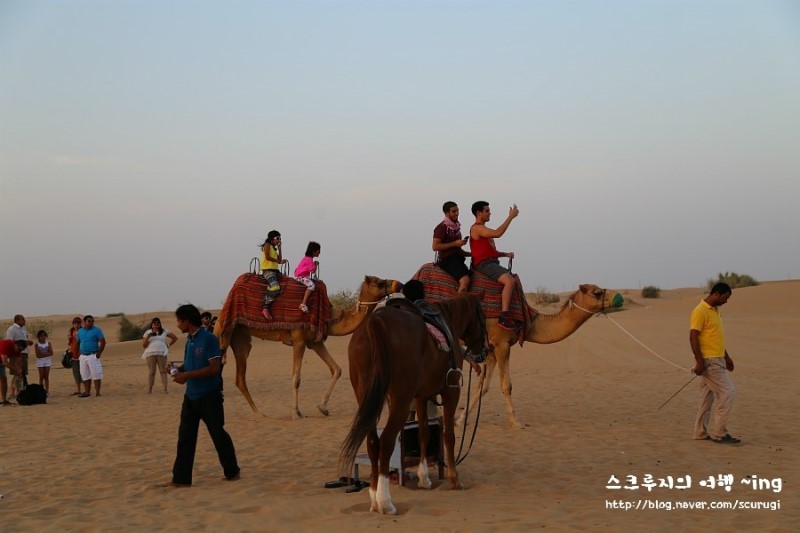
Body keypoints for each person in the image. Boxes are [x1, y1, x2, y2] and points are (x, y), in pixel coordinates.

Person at [166, 304, 240, 487]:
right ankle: (180, 479)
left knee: (218, 434)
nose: (177, 325)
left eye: (179, 321)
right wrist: (176, 369)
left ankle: (232, 472)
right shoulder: (189, 340)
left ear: (187, 320)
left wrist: (186, 376)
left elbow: (214, 368)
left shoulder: (208, 339)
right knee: (185, 438)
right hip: (191, 396)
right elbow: (189, 365)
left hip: (209, 396)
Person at [690, 282, 740, 444]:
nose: (726, 301)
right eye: (725, 298)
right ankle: (720, 433)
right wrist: (699, 362)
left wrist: (727, 357)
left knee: (707, 398)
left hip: (718, 359)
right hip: (709, 362)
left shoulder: (715, 311)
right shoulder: (700, 311)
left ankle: (700, 433)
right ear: (716, 294)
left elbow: (714, 338)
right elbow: (693, 336)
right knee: (728, 392)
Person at [469, 201, 520, 330]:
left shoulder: (484, 231)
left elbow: (489, 252)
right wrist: (510, 217)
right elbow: (498, 233)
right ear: (479, 213)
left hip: (490, 262)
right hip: (484, 265)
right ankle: (504, 317)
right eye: (487, 211)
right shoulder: (477, 228)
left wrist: (505, 254)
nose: (489, 213)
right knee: (509, 281)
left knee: (513, 280)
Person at [432, 201, 471, 293]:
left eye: (457, 211)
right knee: (465, 280)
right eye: (453, 211)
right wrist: (455, 244)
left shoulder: (456, 228)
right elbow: (435, 246)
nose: (457, 214)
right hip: (448, 260)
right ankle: (460, 305)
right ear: (446, 213)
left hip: (457, 259)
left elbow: (458, 250)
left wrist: (472, 254)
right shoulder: (442, 227)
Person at [142, 317, 178, 394]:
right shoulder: (148, 332)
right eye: (154, 322)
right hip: (150, 353)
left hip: (162, 353)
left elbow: (175, 338)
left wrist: (168, 345)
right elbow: (144, 345)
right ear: (152, 324)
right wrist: (149, 336)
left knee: (163, 371)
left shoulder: (164, 331)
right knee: (152, 372)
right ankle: (150, 390)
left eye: (158, 322)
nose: (156, 324)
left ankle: (165, 389)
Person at [260, 230, 288, 320]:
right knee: (275, 287)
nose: (279, 240)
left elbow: (279, 260)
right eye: (277, 238)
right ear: (272, 239)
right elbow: (267, 257)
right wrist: (278, 261)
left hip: (275, 270)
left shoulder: (274, 249)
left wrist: (280, 249)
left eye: (280, 238)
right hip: (267, 270)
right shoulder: (267, 246)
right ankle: (265, 307)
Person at [76, 315, 106, 397]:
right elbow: (78, 342)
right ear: (84, 322)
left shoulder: (97, 330)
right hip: (83, 356)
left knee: (96, 374)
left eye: (92, 321)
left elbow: (103, 342)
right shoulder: (80, 331)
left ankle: (97, 393)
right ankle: (87, 392)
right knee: (85, 374)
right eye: (89, 321)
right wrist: (78, 353)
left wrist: (99, 353)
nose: (91, 323)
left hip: (93, 355)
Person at [5, 314, 34, 394]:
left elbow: (23, 341)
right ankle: (14, 392)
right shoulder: (11, 329)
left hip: (24, 353)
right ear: (17, 320)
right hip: (16, 354)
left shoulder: (23, 329)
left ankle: (17, 391)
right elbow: (9, 342)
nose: (24, 321)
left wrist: (27, 342)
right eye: (23, 319)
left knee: (21, 373)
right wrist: (25, 342)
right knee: (17, 372)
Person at [294, 241, 321, 313]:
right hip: (300, 277)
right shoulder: (309, 259)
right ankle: (303, 304)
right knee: (312, 285)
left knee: (314, 281)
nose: (319, 252)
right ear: (313, 251)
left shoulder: (308, 258)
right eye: (318, 250)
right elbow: (313, 271)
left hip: (303, 276)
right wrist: (315, 264)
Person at [0, 339, 28, 405]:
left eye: (21, 350)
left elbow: (17, 363)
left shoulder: (18, 350)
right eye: (19, 349)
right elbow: (5, 362)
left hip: (0, 362)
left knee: (3, 380)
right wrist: (16, 369)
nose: (19, 351)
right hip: (2, 362)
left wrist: (19, 371)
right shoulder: (6, 344)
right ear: (15, 345)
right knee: (3, 379)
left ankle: (4, 401)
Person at [34, 329, 53, 395]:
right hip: (40, 362)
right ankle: (41, 391)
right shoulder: (37, 345)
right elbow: (38, 355)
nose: (43, 337)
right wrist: (46, 354)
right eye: (42, 336)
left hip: (47, 361)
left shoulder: (48, 343)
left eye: (44, 335)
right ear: (39, 337)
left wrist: (43, 354)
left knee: (46, 377)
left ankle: (47, 391)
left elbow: (51, 353)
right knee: (41, 376)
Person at [67, 317, 83, 396]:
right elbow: (69, 343)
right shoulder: (71, 331)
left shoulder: (83, 331)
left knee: (83, 372)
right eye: (75, 323)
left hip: (82, 353)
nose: (76, 325)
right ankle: (78, 389)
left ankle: (86, 389)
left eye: (78, 323)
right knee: (76, 372)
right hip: (73, 354)